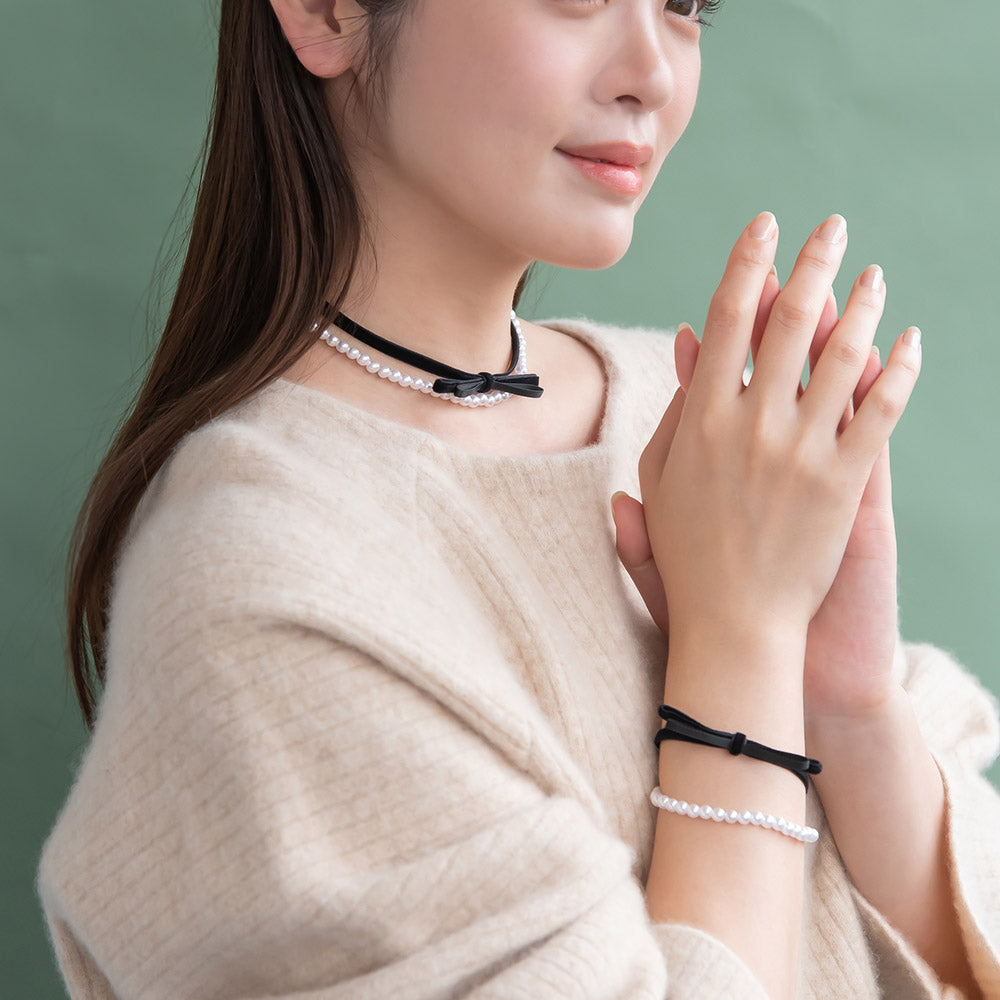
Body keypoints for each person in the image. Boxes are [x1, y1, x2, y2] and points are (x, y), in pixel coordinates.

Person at [37, 1, 1000, 998]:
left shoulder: (697, 435)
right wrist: (739, 646)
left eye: (685, 6)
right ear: (327, 11)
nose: (652, 73)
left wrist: (848, 703)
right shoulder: (256, 577)